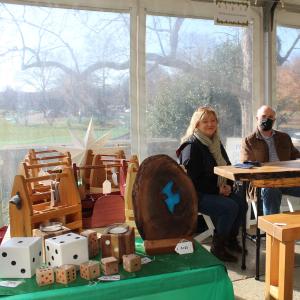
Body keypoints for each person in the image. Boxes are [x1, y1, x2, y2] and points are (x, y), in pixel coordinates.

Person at [176, 106, 247, 262]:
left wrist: (228, 185)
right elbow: (191, 182)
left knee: (241, 203)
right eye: (205, 121)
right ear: (197, 125)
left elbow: (227, 167)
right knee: (230, 207)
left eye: (213, 120)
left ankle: (230, 240)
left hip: (216, 190)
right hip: (195, 195)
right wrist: (218, 190)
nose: (210, 124)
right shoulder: (191, 146)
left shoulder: (215, 142)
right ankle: (218, 247)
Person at [240, 105, 300, 215]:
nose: (267, 119)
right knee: (271, 190)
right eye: (263, 116)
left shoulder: (284, 137)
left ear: (274, 120)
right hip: (262, 183)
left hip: (287, 181)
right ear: (257, 118)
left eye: (270, 117)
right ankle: (271, 230)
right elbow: (247, 165)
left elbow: (296, 155)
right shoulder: (249, 141)